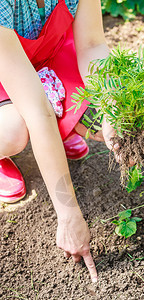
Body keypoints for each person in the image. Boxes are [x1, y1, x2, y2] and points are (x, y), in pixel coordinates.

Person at [0, 0, 121, 283]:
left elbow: (92, 45)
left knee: (96, 108)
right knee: (14, 131)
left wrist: (113, 109)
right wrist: (68, 216)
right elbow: (37, 111)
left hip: (47, 54)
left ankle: (61, 131)